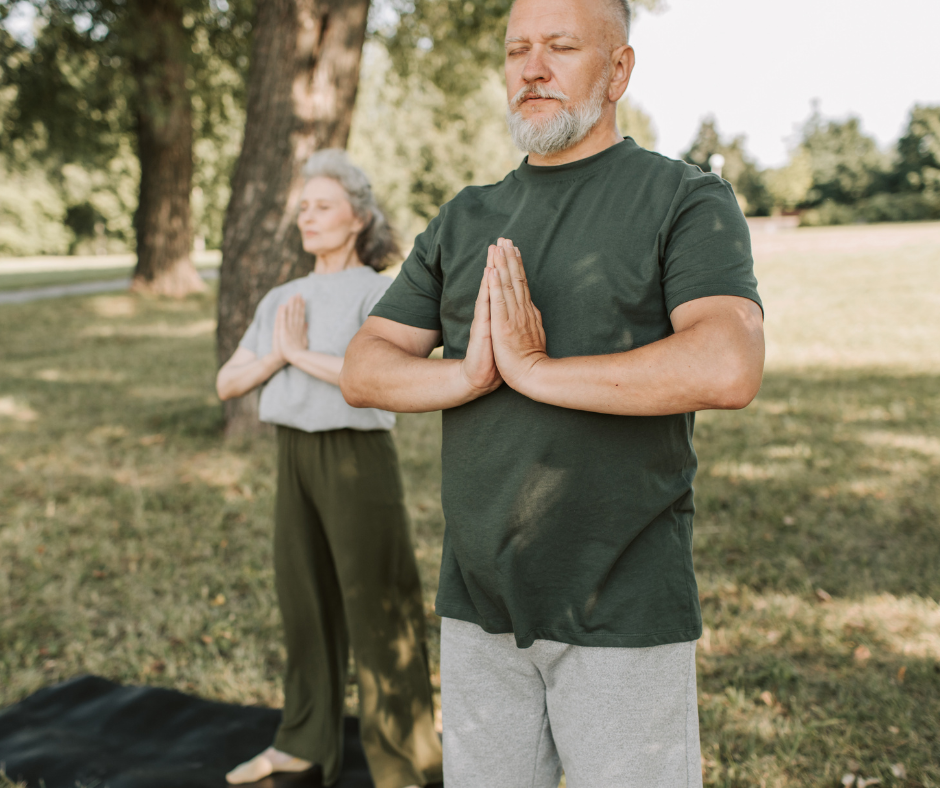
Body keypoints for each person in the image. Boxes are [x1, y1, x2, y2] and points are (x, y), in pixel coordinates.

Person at [339, 0, 765, 786]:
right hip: (478, 603)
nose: (532, 69)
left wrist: (536, 372)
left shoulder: (683, 198)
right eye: (516, 51)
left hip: (622, 605)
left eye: (561, 47)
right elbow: (366, 366)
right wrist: (468, 373)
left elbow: (727, 363)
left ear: (619, 70)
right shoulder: (466, 218)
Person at [216, 149, 443, 788]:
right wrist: (277, 355)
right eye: (303, 208)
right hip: (293, 456)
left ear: (357, 218)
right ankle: (303, 742)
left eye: (323, 206)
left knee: (381, 605)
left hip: (356, 458)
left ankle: (406, 762)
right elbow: (228, 381)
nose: (307, 218)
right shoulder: (282, 297)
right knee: (303, 600)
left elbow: (370, 378)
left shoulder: (381, 290)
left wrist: (295, 353)